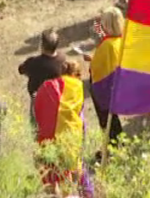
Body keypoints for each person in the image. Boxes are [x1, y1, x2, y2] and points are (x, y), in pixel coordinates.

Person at [34, 61, 91, 198]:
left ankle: (53, 194)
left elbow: (38, 107)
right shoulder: (77, 86)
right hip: (69, 133)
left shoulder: (48, 86)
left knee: (50, 167)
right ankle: (67, 195)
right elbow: (79, 111)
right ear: (75, 74)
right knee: (66, 169)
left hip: (49, 132)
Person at [81, 7, 123, 145]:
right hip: (115, 87)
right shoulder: (120, 40)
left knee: (107, 123)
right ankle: (117, 145)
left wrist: (91, 59)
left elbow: (96, 67)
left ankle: (111, 149)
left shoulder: (107, 45)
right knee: (113, 121)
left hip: (104, 89)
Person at [18, 31, 66, 127]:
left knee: (36, 125)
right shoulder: (62, 59)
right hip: (56, 96)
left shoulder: (34, 62)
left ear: (42, 45)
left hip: (37, 97)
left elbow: (21, 69)